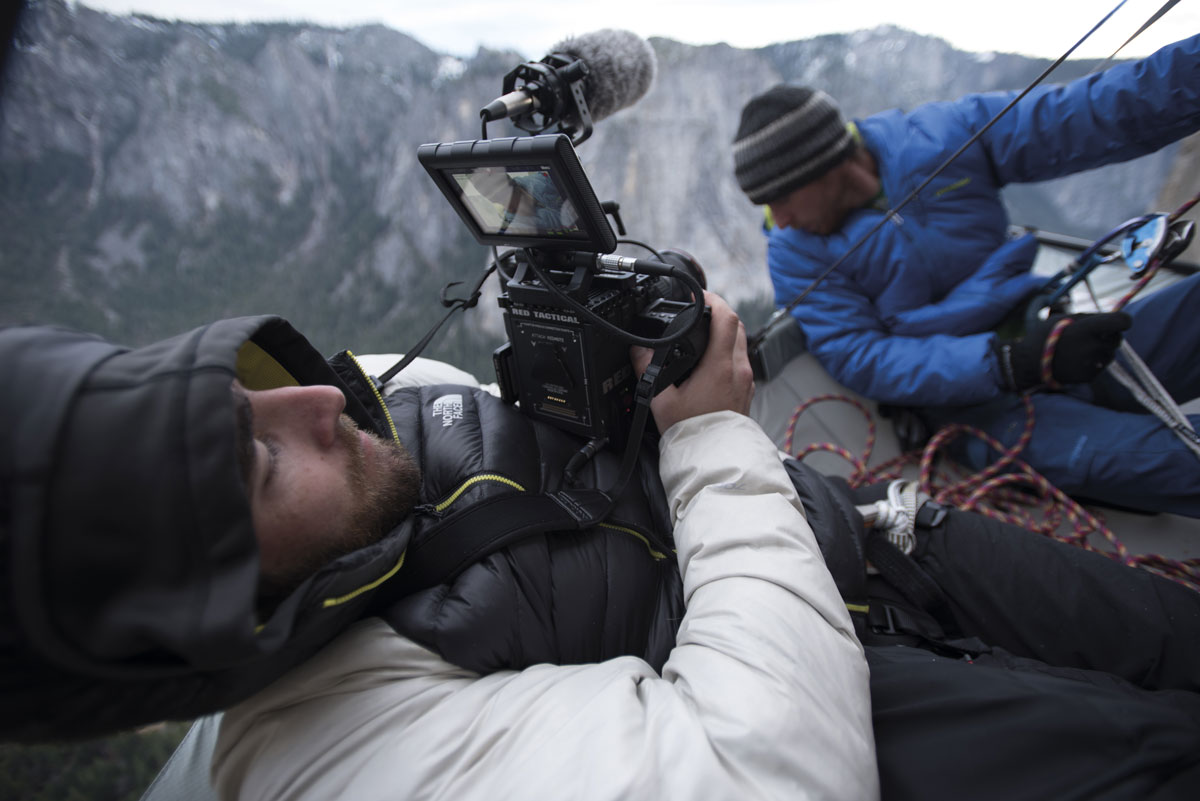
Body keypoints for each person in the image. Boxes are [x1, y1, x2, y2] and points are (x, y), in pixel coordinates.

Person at [4, 300, 1200, 800]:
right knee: (1153, 753)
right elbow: (761, 771)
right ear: (206, 623)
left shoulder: (372, 413)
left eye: (241, 391)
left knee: (1167, 632)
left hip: (875, 536)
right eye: (258, 462)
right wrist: (713, 433)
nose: (320, 399)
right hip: (842, 698)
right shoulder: (331, 759)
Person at [731, 32, 1200, 517]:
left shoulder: (940, 139)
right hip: (974, 409)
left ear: (826, 165)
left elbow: (1085, 114)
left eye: (781, 198)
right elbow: (862, 356)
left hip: (1048, 331)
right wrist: (1006, 362)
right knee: (1171, 460)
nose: (779, 220)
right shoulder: (794, 253)